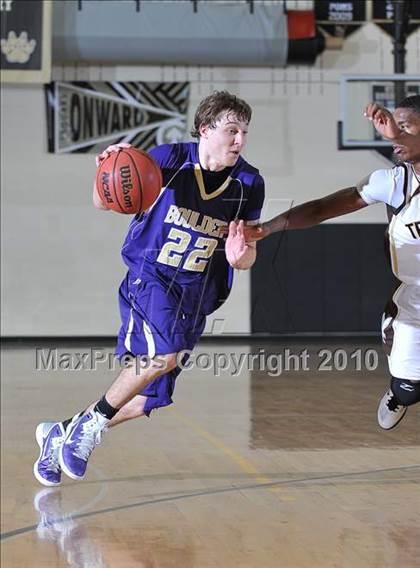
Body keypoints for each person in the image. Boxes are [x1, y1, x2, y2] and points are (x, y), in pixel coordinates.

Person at [33, 91, 265, 486]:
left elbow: (247, 258)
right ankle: (90, 427)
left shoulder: (249, 183)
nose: (240, 139)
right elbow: (102, 201)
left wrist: (240, 255)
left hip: (196, 295)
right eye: (232, 130)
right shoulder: (169, 159)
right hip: (151, 276)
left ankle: (63, 431)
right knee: (163, 353)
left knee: (146, 400)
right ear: (206, 129)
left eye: (244, 131)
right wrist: (106, 164)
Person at [244, 95, 420, 431]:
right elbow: (323, 208)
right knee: (410, 390)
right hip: (416, 298)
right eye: (393, 127)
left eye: (404, 126)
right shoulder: (394, 183)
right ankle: (399, 388)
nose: (393, 134)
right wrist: (268, 227)